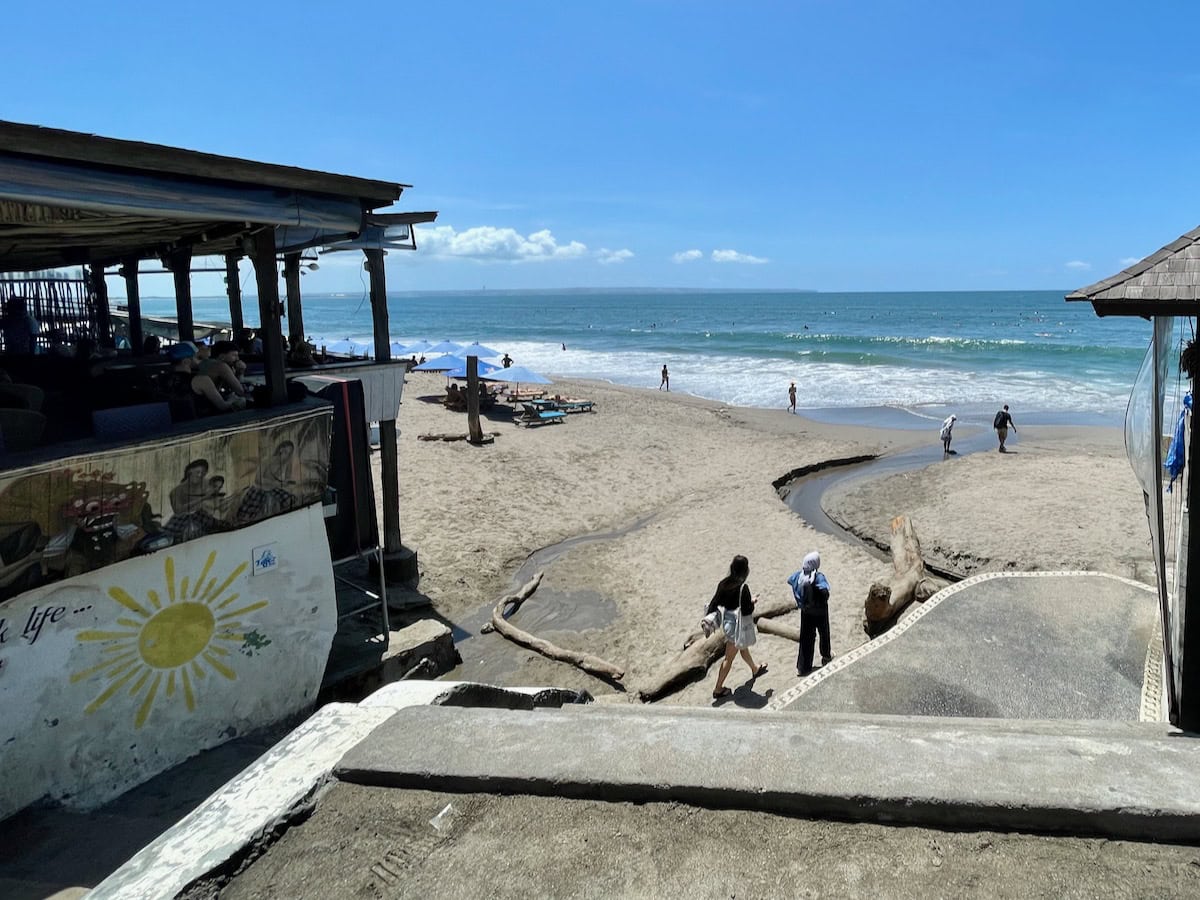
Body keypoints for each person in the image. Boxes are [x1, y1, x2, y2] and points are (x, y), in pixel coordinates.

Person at [706, 554, 768, 699]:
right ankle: (718, 688)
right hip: (737, 626)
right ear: (745, 570)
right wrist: (752, 602)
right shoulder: (743, 588)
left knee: (742, 647)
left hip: (728, 623)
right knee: (729, 658)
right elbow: (747, 610)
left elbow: (715, 603)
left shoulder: (723, 584)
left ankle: (755, 668)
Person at [159, 342, 247, 422]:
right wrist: (232, 399)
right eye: (197, 357)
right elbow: (222, 406)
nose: (200, 361)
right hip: (201, 424)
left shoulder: (160, 379)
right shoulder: (201, 380)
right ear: (186, 361)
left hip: (170, 425)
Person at [788, 550, 832, 676]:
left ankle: (803, 667)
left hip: (806, 612)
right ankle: (826, 656)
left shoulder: (798, 576)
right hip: (820, 612)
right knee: (824, 634)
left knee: (806, 639)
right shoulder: (818, 577)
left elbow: (789, 580)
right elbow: (825, 592)